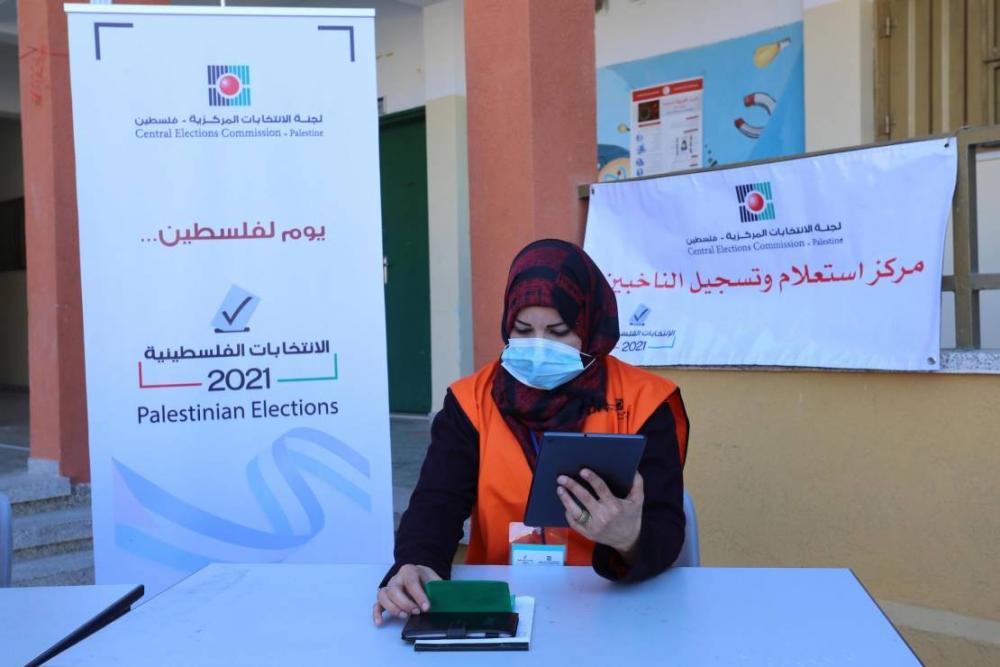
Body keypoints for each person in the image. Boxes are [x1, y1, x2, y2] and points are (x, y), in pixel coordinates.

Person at [373, 239, 689, 626]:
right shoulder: (471, 401)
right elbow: (437, 502)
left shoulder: (645, 403)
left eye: (558, 331)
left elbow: (666, 529)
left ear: (590, 328)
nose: (539, 349)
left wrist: (630, 538)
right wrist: (416, 563)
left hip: (613, 605)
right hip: (501, 605)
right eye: (523, 330)